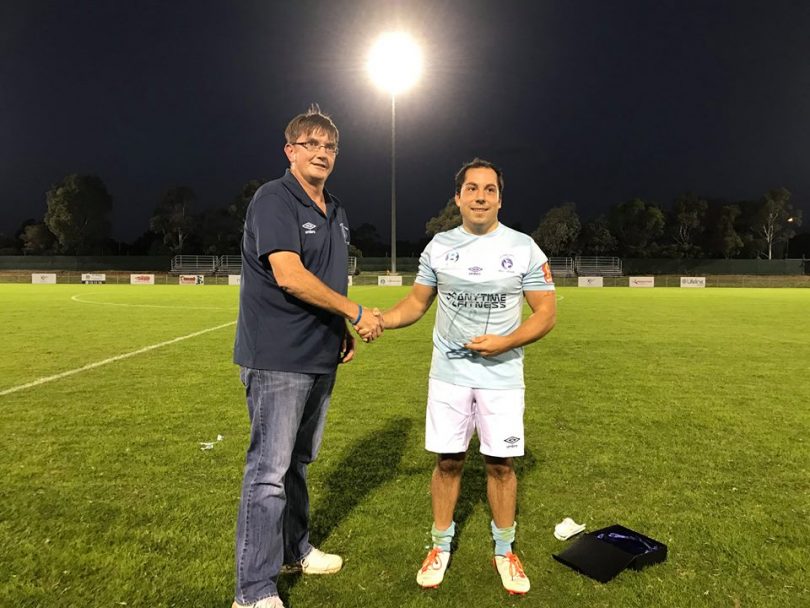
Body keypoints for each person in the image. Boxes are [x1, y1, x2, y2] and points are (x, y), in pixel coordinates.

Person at [377, 158, 556, 595]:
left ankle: (504, 549)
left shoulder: (524, 247)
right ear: (458, 197)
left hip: (502, 378)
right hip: (449, 376)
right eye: (472, 189)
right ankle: (440, 545)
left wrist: (505, 342)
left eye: (489, 189)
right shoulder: (438, 246)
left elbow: (546, 313)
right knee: (448, 461)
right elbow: (417, 304)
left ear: (499, 198)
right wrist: (382, 318)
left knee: (500, 465)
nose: (480, 196)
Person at [231, 104, 383, 608]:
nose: (321, 153)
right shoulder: (274, 198)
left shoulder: (335, 209)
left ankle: (296, 551)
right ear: (290, 151)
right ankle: (252, 591)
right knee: (268, 473)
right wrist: (356, 310)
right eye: (310, 144)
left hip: (318, 355)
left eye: (329, 146)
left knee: (296, 463)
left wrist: (338, 325)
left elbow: (325, 279)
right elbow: (290, 275)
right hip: (277, 357)